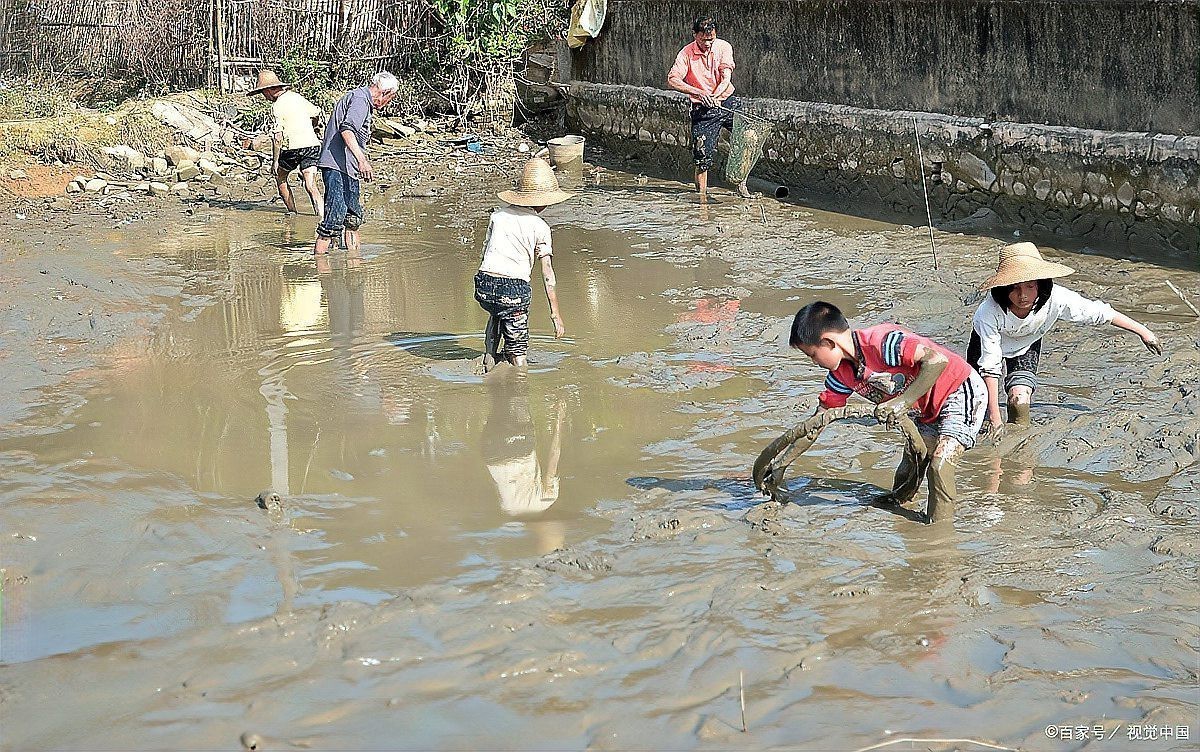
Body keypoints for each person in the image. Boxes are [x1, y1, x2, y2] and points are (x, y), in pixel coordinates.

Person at [789, 301, 986, 524]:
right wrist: (782, 463)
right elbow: (817, 422)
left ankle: (938, 534)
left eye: (813, 355)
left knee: (939, 465)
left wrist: (902, 402)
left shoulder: (882, 343)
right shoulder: (841, 374)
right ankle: (900, 507)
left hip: (959, 390)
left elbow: (937, 361)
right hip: (926, 407)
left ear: (828, 342)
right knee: (912, 461)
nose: (814, 362)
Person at [967, 242, 1162, 431]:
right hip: (986, 345)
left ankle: (1020, 450)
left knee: (1019, 401)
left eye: (1029, 286)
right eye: (1014, 288)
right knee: (977, 402)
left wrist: (1144, 332)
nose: (1023, 295)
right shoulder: (988, 312)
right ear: (1003, 288)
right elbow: (990, 366)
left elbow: (1098, 313)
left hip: (1026, 344)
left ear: (1040, 285)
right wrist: (995, 419)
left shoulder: (1057, 299)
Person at [474, 157, 571, 373]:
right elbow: (548, 274)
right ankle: (519, 380)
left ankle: (489, 358)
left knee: (497, 312)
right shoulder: (540, 226)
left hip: (484, 286)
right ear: (543, 201)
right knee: (518, 348)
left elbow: (484, 252)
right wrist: (555, 315)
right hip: (513, 290)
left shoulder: (497, 216)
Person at [314, 71, 400, 255]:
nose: (388, 104)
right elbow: (347, 130)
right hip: (337, 166)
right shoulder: (361, 100)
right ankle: (320, 267)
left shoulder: (361, 100)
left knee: (353, 219)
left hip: (348, 168)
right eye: (390, 98)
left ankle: (354, 266)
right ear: (385, 93)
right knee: (333, 221)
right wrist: (363, 160)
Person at [667, 15, 750, 199]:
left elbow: (726, 76)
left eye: (711, 39)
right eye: (703, 40)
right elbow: (673, 79)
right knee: (702, 154)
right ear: (695, 35)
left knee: (746, 137)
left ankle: (741, 186)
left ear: (716, 35)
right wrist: (699, 93)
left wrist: (716, 95)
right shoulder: (686, 53)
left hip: (727, 101)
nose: (707, 44)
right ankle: (702, 196)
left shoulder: (724, 47)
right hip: (702, 108)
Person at [248, 69, 324, 221]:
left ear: (268, 91)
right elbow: (316, 113)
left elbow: (277, 137)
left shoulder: (277, 107)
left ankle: (293, 211)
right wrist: (314, 128)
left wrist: (275, 161)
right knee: (310, 184)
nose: (264, 97)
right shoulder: (297, 97)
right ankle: (321, 217)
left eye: (263, 93)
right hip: (311, 145)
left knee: (280, 177)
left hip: (292, 149)